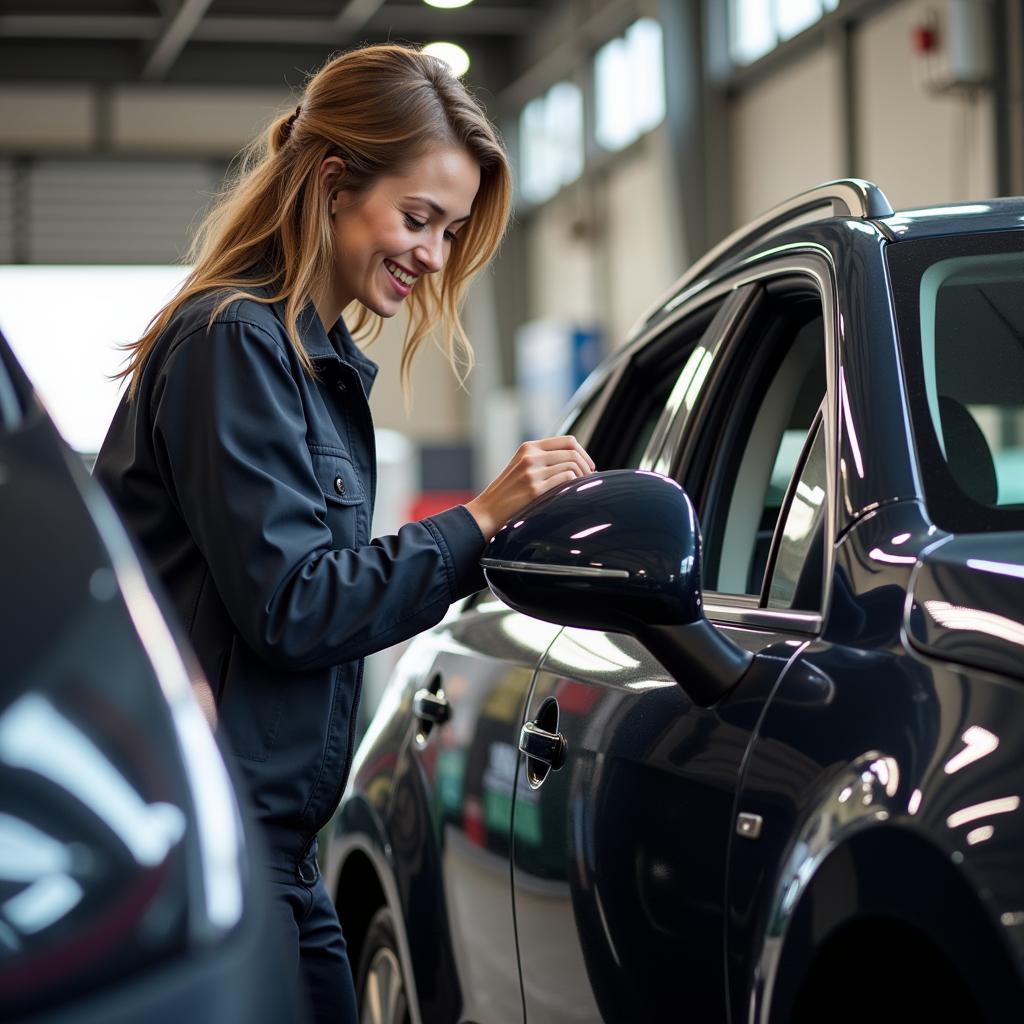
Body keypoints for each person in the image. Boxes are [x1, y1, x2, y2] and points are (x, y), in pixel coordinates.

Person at [94, 43, 594, 1024]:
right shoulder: (234, 341)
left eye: (449, 232)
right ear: (333, 182)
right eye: (418, 219)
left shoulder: (307, 362)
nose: (434, 256)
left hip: (270, 844)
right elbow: (294, 602)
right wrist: (481, 519)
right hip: (219, 843)